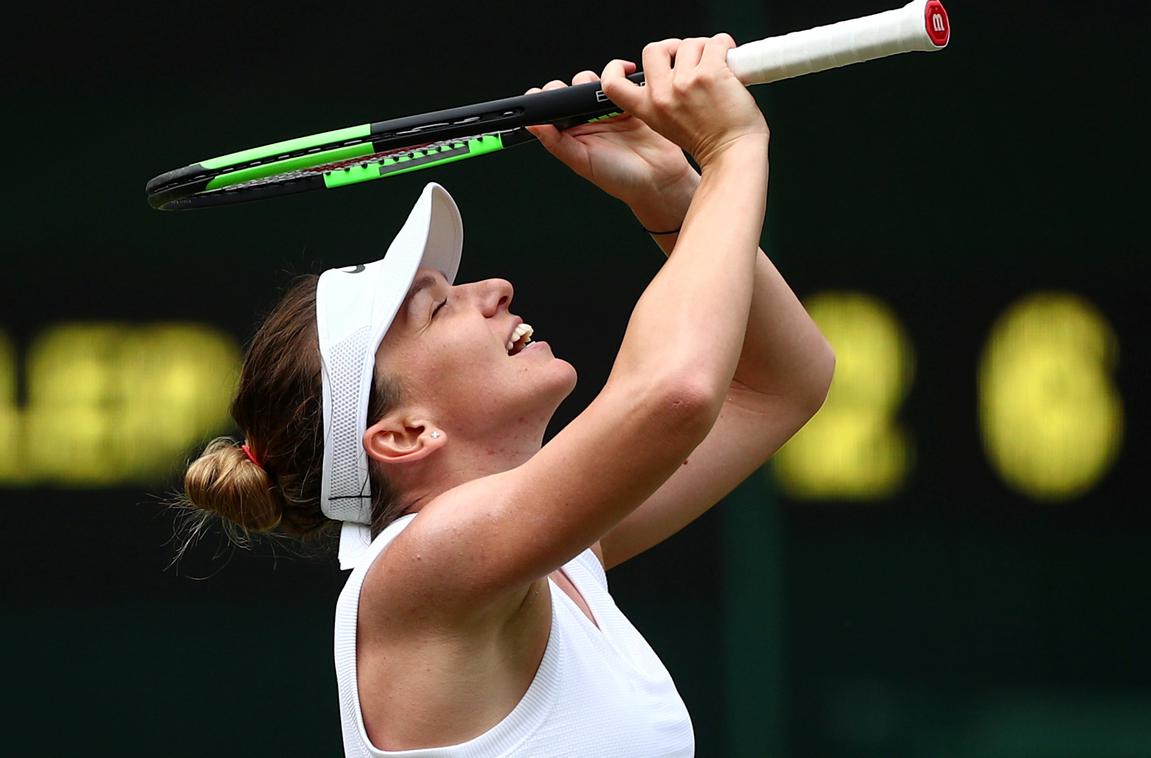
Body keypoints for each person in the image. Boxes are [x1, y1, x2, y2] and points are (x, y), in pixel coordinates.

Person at [181, 35, 834, 757]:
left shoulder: (552, 557)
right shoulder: (423, 565)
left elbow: (783, 384)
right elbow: (673, 394)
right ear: (404, 434)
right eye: (437, 308)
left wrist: (670, 191)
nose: (493, 290)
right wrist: (731, 153)